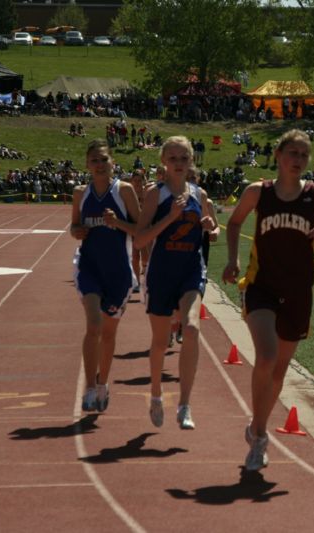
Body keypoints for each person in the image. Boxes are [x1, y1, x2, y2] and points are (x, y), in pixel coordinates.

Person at [222, 129, 314, 471]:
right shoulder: (259, 192)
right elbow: (233, 223)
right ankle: (259, 435)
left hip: (299, 290)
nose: (298, 160)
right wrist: (233, 260)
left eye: (304, 155)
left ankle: (256, 425)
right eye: (293, 153)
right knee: (267, 356)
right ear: (278, 155)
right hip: (262, 286)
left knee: (279, 372)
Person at [134, 136, 216, 430]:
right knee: (159, 342)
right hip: (161, 273)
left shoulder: (200, 194)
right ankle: (156, 393)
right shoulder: (154, 194)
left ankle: (184, 404)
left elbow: (212, 229)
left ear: (191, 160)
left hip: (191, 270)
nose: (179, 164)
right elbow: (140, 239)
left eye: (184, 158)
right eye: (173, 158)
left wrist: (210, 227)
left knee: (192, 327)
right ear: (163, 162)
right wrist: (170, 218)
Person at [71, 139, 141, 413]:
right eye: (94, 161)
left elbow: (140, 230)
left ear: (113, 162)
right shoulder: (80, 193)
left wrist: (118, 223)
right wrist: (76, 231)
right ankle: (89, 388)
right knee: (93, 326)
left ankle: (103, 384)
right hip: (89, 266)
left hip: (119, 273)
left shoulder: (123, 191)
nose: (100, 165)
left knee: (109, 334)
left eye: (104, 160)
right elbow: (73, 226)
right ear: (87, 165)